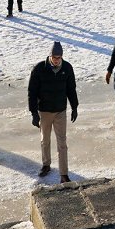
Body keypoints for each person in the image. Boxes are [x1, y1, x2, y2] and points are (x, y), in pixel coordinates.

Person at [28, 42, 78, 183]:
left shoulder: (67, 68)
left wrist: (74, 107)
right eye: (54, 57)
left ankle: (64, 173)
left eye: (59, 57)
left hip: (60, 110)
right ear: (50, 56)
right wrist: (34, 113)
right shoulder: (39, 69)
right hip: (44, 111)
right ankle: (46, 164)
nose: (56, 60)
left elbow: (71, 89)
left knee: (62, 142)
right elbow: (32, 92)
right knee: (45, 140)